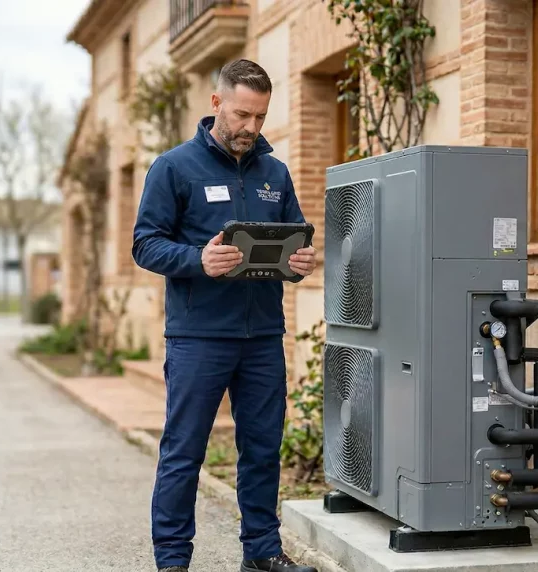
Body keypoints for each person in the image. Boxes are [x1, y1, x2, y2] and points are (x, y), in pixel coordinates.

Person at [131, 59, 319, 572]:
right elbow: (145, 244)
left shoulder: (275, 174)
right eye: (242, 115)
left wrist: (301, 263)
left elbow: (294, 238)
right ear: (216, 103)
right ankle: (173, 560)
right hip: (198, 338)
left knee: (262, 449)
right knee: (184, 452)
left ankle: (261, 553)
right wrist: (199, 259)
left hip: (263, 337)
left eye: (260, 117)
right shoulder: (174, 167)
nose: (251, 127)